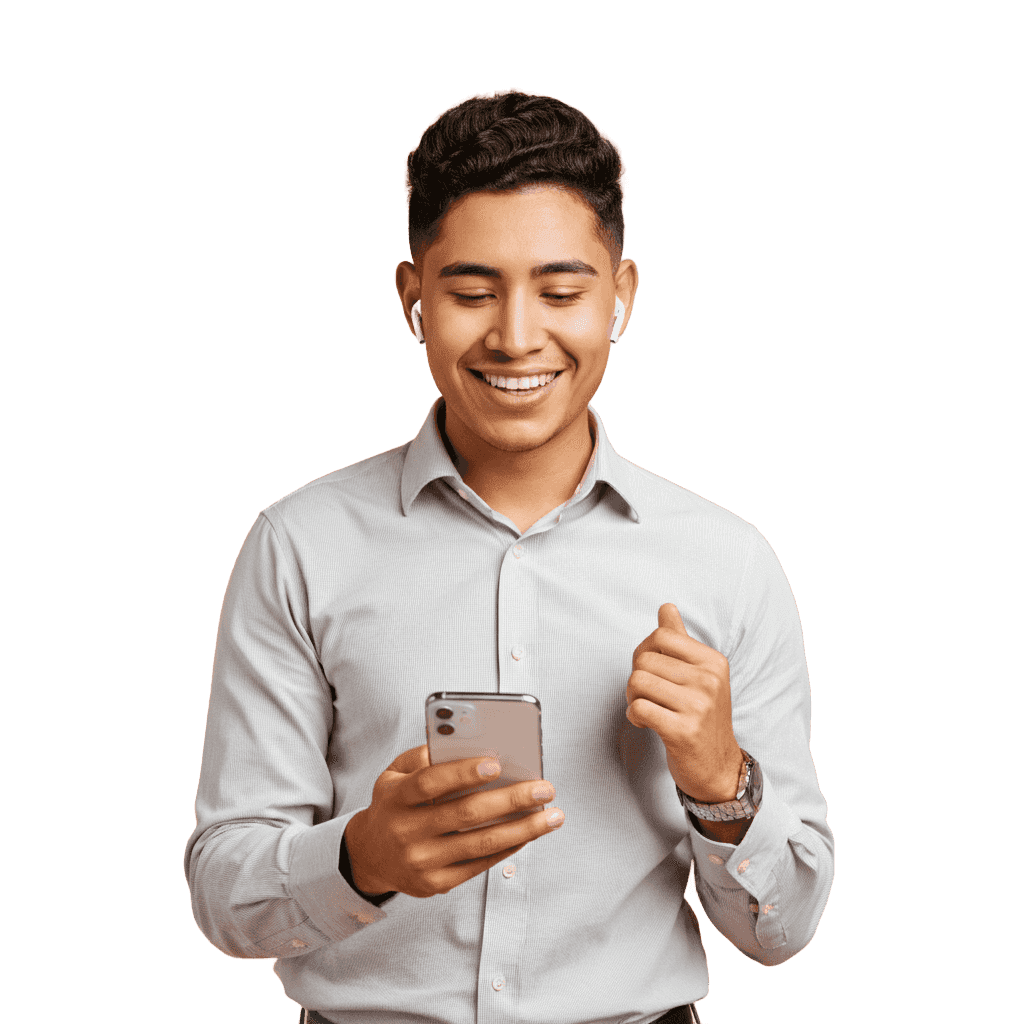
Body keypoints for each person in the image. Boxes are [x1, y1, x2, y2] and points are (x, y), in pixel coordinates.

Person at [184, 88, 834, 1024]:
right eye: (472, 291)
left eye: (563, 292)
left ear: (622, 298)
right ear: (413, 298)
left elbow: (782, 931)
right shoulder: (299, 546)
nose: (517, 335)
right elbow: (222, 894)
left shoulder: (727, 561)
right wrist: (361, 858)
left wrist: (724, 783)